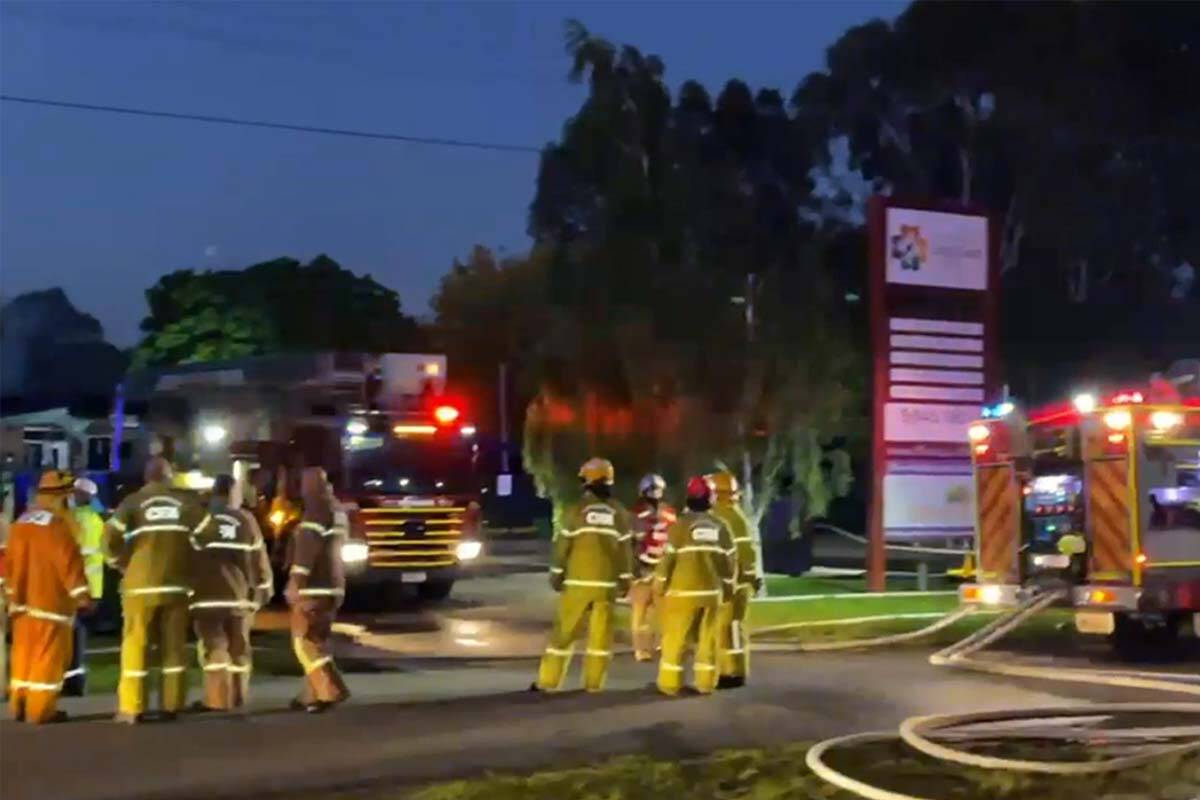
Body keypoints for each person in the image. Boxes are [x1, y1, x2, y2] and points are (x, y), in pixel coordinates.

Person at [104, 457, 206, 723]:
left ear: (147, 477)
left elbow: (109, 540)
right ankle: (172, 705)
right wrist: (187, 560)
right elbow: (208, 535)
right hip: (177, 586)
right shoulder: (187, 505)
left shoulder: (132, 502)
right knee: (174, 648)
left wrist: (122, 563)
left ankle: (132, 707)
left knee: (136, 645)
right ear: (169, 476)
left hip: (140, 587)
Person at [533, 458, 633, 693]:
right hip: (606, 586)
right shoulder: (619, 513)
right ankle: (594, 684)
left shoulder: (575, 511)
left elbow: (562, 547)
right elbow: (626, 552)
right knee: (600, 639)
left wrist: (556, 575)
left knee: (564, 634)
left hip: (577, 585)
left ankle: (548, 682)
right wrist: (625, 580)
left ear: (587, 482)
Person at [6, 471, 92, 723]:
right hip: (50, 605)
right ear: (61, 496)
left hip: (22, 606)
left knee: (23, 657)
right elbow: (69, 564)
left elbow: (9, 563)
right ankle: (41, 709)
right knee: (48, 659)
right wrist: (82, 596)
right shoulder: (58, 526)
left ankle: (19, 704)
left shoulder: (20, 522)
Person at [190, 474, 273, 711]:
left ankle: (216, 700)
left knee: (214, 647)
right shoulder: (246, 521)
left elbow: (189, 554)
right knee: (239, 650)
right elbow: (259, 558)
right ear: (234, 494)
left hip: (207, 597)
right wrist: (264, 590)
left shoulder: (202, 520)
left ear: (214, 493)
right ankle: (237, 697)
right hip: (240, 597)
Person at [654, 476, 734, 697]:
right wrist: (727, 590)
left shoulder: (680, 527)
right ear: (711, 498)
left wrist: (659, 585)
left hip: (683, 594)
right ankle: (706, 683)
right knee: (708, 640)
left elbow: (667, 560)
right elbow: (728, 564)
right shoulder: (721, 527)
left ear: (689, 499)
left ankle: (670, 683)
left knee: (675, 639)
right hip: (711, 594)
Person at [285, 467, 349, 713]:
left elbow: (307, 551)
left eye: (304, 484)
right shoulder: (338, 512)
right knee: (318, 640)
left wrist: (296, 581)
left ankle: (330, 691)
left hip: (315, 587)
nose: (302, 489)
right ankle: (309, 695)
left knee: (305, 642)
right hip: (334, 586)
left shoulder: (315, 512)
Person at [707, 471, 761, 689]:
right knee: (731, 627)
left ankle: (731, 673)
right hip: (738, 582)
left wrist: (742, 579)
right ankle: (732, 670)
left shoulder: (725, 517)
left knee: (727, 627)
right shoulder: (734, 515)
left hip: (733, 584)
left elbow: (743, 553)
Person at [63, 477, 105, 696]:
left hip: (77, 588)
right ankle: (76, 681)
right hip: (92, 588)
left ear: (82, 495)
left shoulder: (76, 520)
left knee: (73, 636)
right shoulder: (96, 520)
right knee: (78, 636)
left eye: (74, 492)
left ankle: (74, 683)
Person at [628, 473, 675, 662]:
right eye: (652, 490)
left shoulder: (667, 513)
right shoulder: (636, 513)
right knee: (645, 612)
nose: (654, 493)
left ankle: (654, 646)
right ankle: (646, 649)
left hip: (657, 569)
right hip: (646, 569)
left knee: (658, 612)